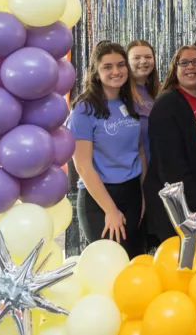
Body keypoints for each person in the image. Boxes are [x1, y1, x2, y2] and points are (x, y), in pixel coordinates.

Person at [66, 41, 145, 257]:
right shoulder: (84, 109)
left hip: (132, 193)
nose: (116, 71)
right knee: (111, 263)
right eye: (107, 66)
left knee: (133, 261)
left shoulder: (130, 102)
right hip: (99, 198)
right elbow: (82, 165)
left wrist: (142, 194)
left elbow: (138, 150)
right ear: (96, 73)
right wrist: (110, 210)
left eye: (121, 65)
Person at [143, 45, 196, 252]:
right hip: (184, 206)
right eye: (184, 62)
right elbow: (169, 164)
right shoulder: (167, 104)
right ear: (174, 69)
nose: (190, 67)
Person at [126, 40, 159, 163]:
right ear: (126, 63)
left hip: (156, 168)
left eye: (148, 57)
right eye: (136, 58)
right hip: (131, 171)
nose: (143, 61)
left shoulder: (159, 93)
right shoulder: (121, 94)